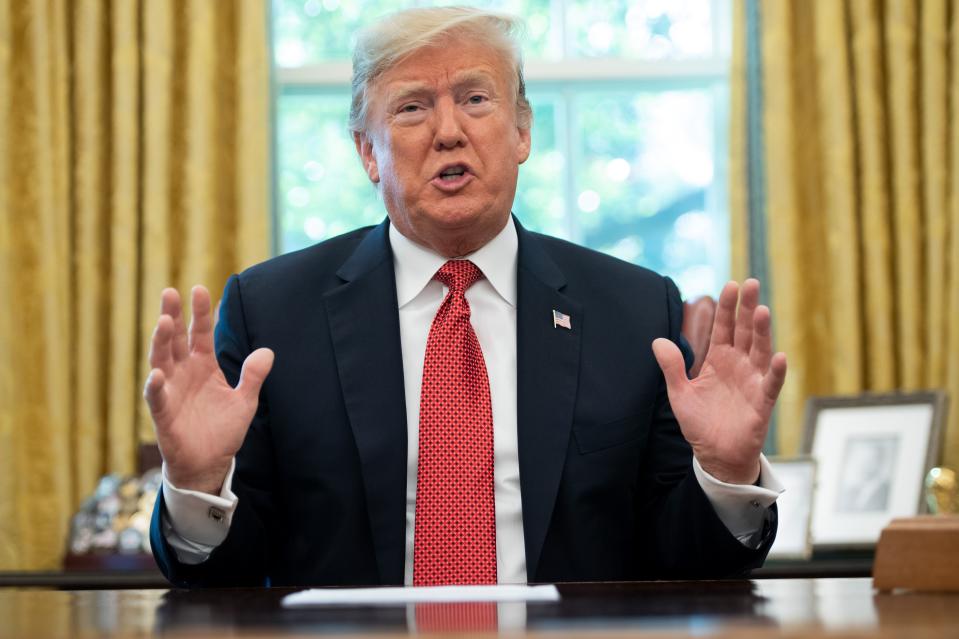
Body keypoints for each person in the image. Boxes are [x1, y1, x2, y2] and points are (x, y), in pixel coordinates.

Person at [146, 7, 788, 588]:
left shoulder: (633, 310)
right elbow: (230, 580)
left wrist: (727, 475)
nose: (448, 131)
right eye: (412, 107)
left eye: (476, 99)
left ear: (521, 133)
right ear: (369, 153)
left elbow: (681, 562)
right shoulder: (271, 312)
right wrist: (198, 485)